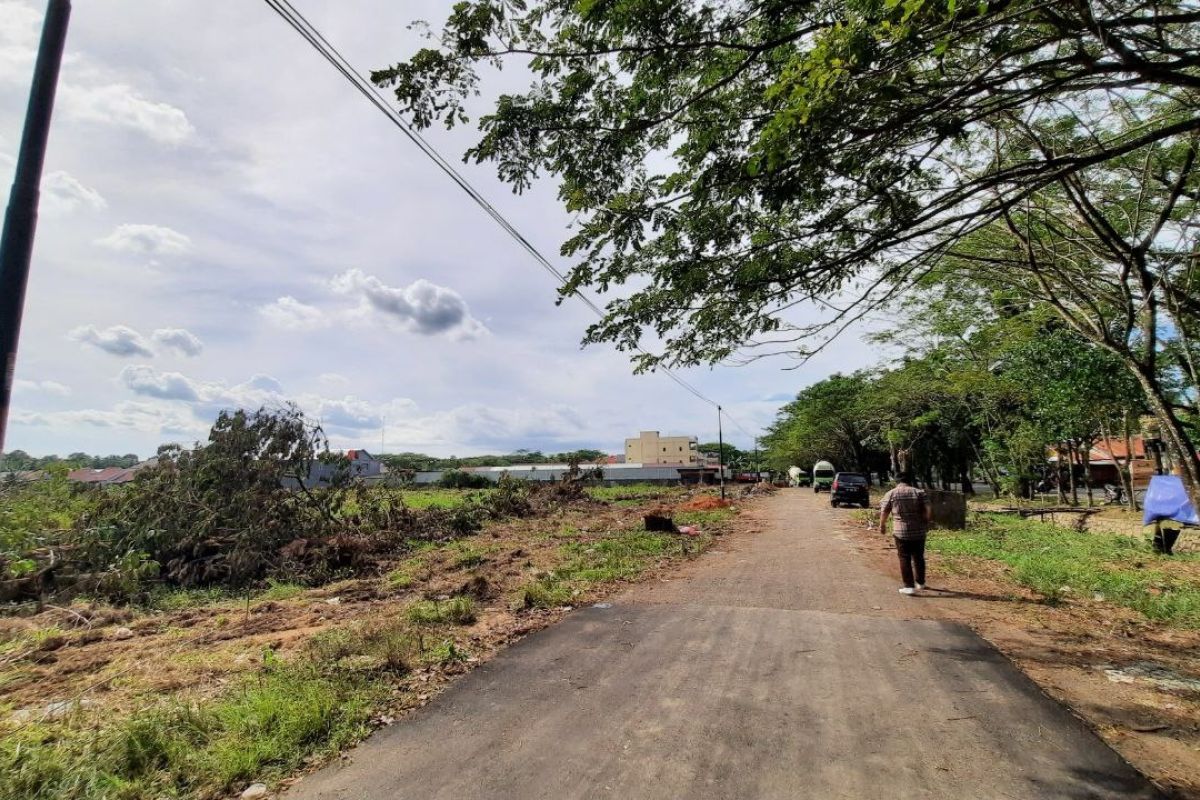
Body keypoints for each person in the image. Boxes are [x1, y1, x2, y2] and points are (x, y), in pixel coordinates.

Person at [878, 473, 933, 595]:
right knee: (919, 556)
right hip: (919, 531)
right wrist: (926, 521)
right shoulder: (919, 492)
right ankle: (920, 582)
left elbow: (884, 511)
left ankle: (909, 586)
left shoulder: (891, 493)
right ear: (910, 481)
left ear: (897, 482)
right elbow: (928, 510)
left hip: (901, 532)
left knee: (904, 557)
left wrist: (882, 525)